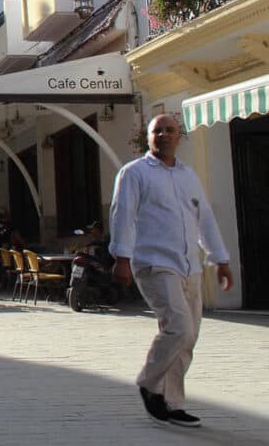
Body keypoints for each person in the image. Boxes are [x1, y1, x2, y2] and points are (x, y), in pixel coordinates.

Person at [110, 113, 233, 428]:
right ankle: (150, 383)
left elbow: (204, 218)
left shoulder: (188, 176)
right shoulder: (134, 173)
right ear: (146, 137)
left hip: (189, 264)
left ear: (179, 137)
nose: (164, 134)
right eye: (157, 130)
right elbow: (122, 215)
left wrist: (220, 259)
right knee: (178, 327)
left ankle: (173, 403)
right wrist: (121, 258)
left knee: (188, 337)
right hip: (154, 262)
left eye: (170, 130)